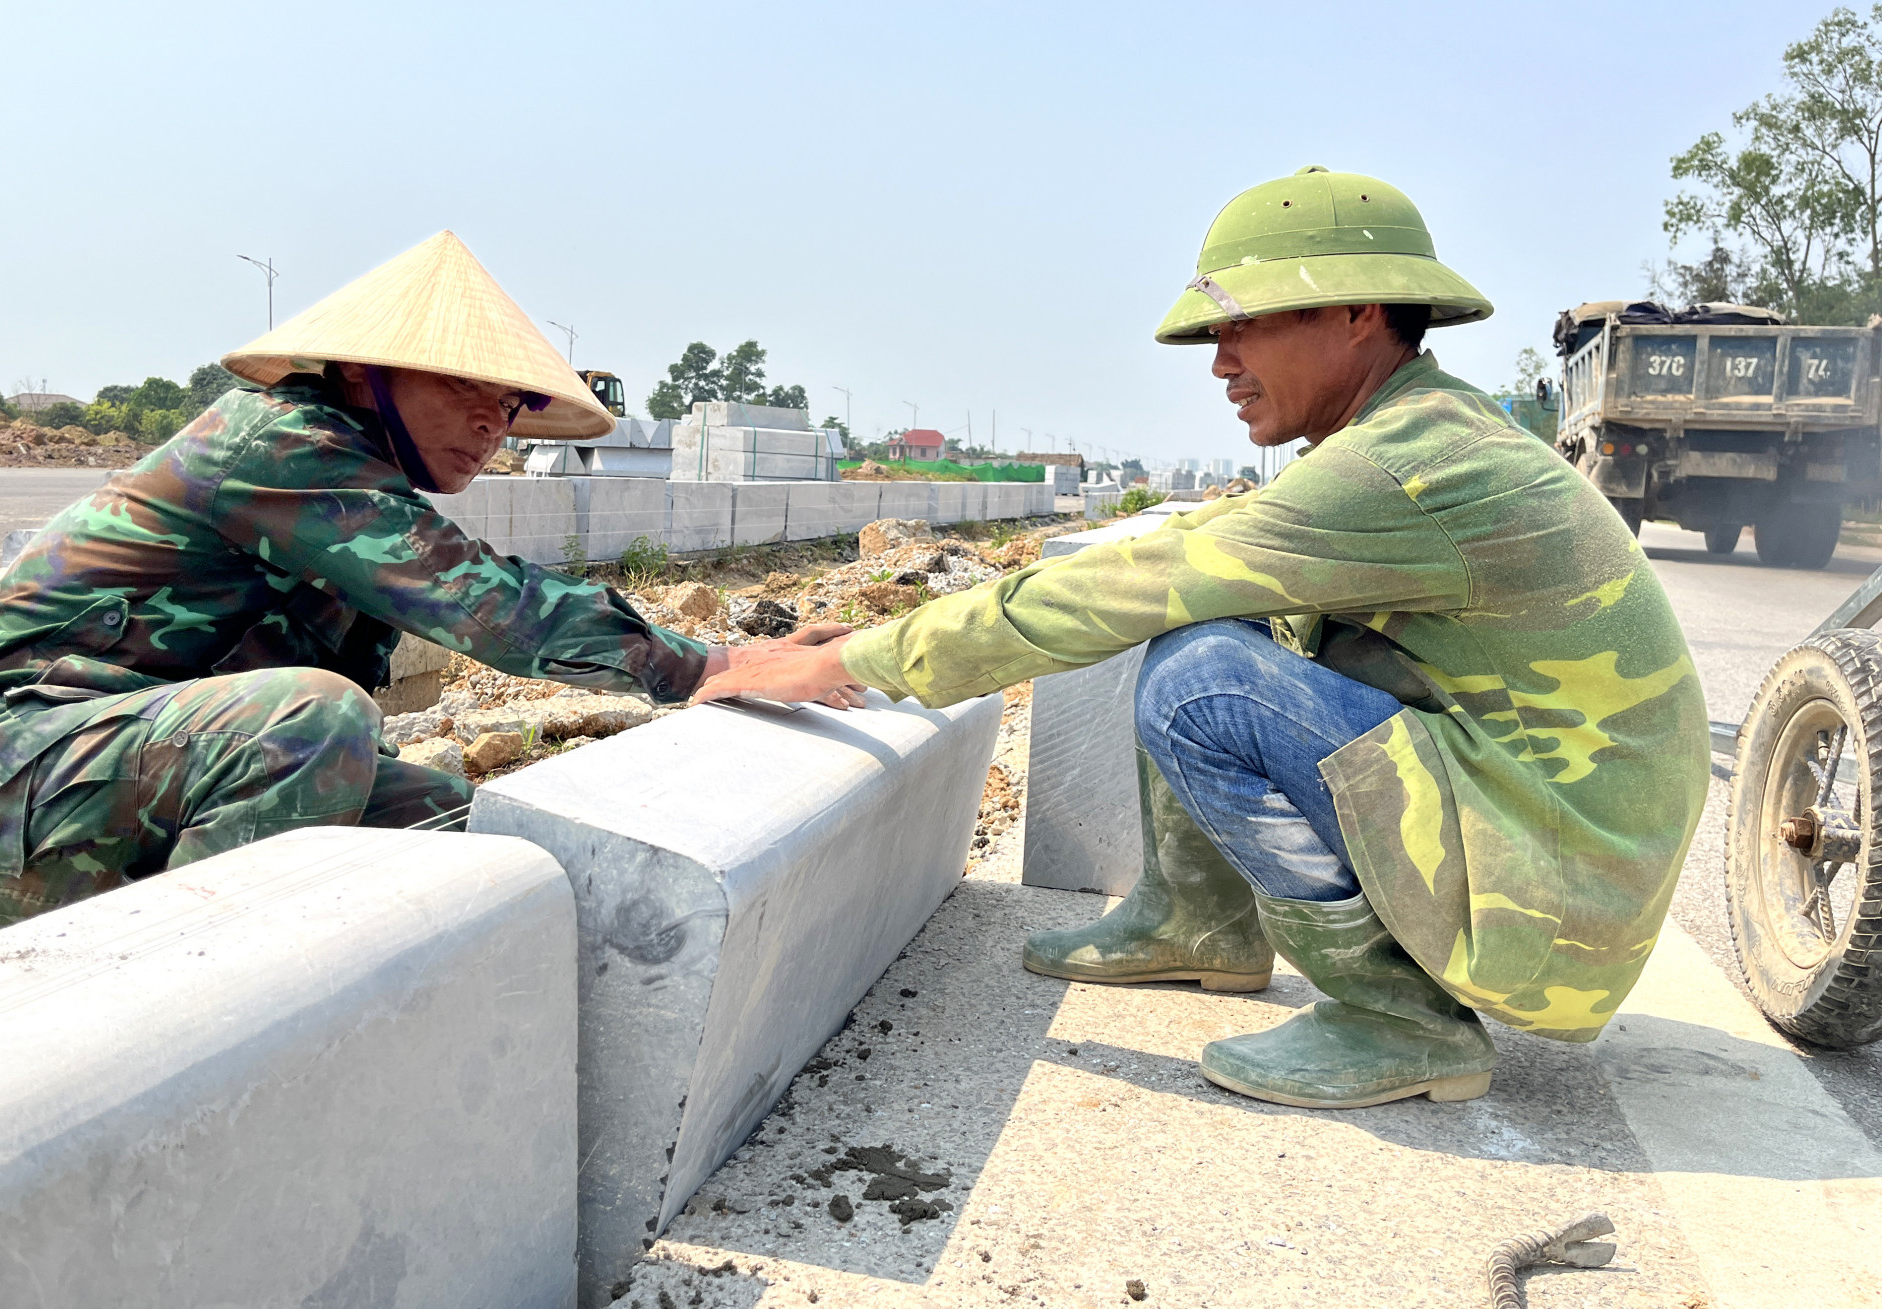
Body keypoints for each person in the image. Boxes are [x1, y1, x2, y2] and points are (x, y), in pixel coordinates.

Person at [692, 167, 1710, 1108]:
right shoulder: (1406, 433)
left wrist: (840, 662)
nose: (1220, 362)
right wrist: (885, 629)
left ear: (1356, 315)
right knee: (1217, 622)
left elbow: (1124, 589)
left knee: (1202, 681)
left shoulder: (1395, 468)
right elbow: (1194, 547)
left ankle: (1395, 1019)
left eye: (1245, 326)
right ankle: (1197, 921)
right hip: (1548, 844)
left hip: (1555, 892)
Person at [0, 231, 840, 931]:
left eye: (506, 403)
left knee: (465, 834)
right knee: (318, 722)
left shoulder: (354, 483)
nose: (491, 425)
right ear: (361, 376)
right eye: (463, 389)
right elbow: (486, 604)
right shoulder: (281, 445)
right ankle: (160, 1029)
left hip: (107, 778)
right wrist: (712, 662)